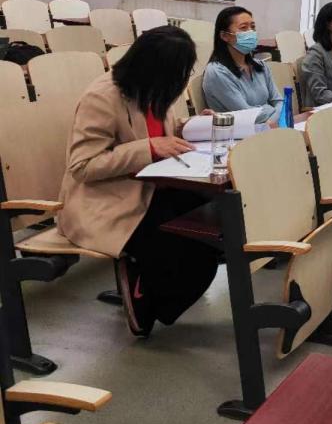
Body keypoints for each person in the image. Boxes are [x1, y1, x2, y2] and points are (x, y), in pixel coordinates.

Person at [58, 26, 219, 337]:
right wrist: (148, 149)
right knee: (184, 249)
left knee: (208, 229)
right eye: (180, 73)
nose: (182, 81)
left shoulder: (156, 89)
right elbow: (83, 166)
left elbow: (162, 131)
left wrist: (195, 125)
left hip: (153, 186)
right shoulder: (102, 97)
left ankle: (151, 292)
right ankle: (142, 296)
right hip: (109, 198)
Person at [203, 6, 282, 124]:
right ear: (224, 36)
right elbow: (247, 114)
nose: (251, 32)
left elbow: (280, 102)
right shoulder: (217, 72)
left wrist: (271, 122)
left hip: (268, 129)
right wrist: (271, 111)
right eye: (243, 28)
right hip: (237, 132)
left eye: (253, 27)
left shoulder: (260, 66)